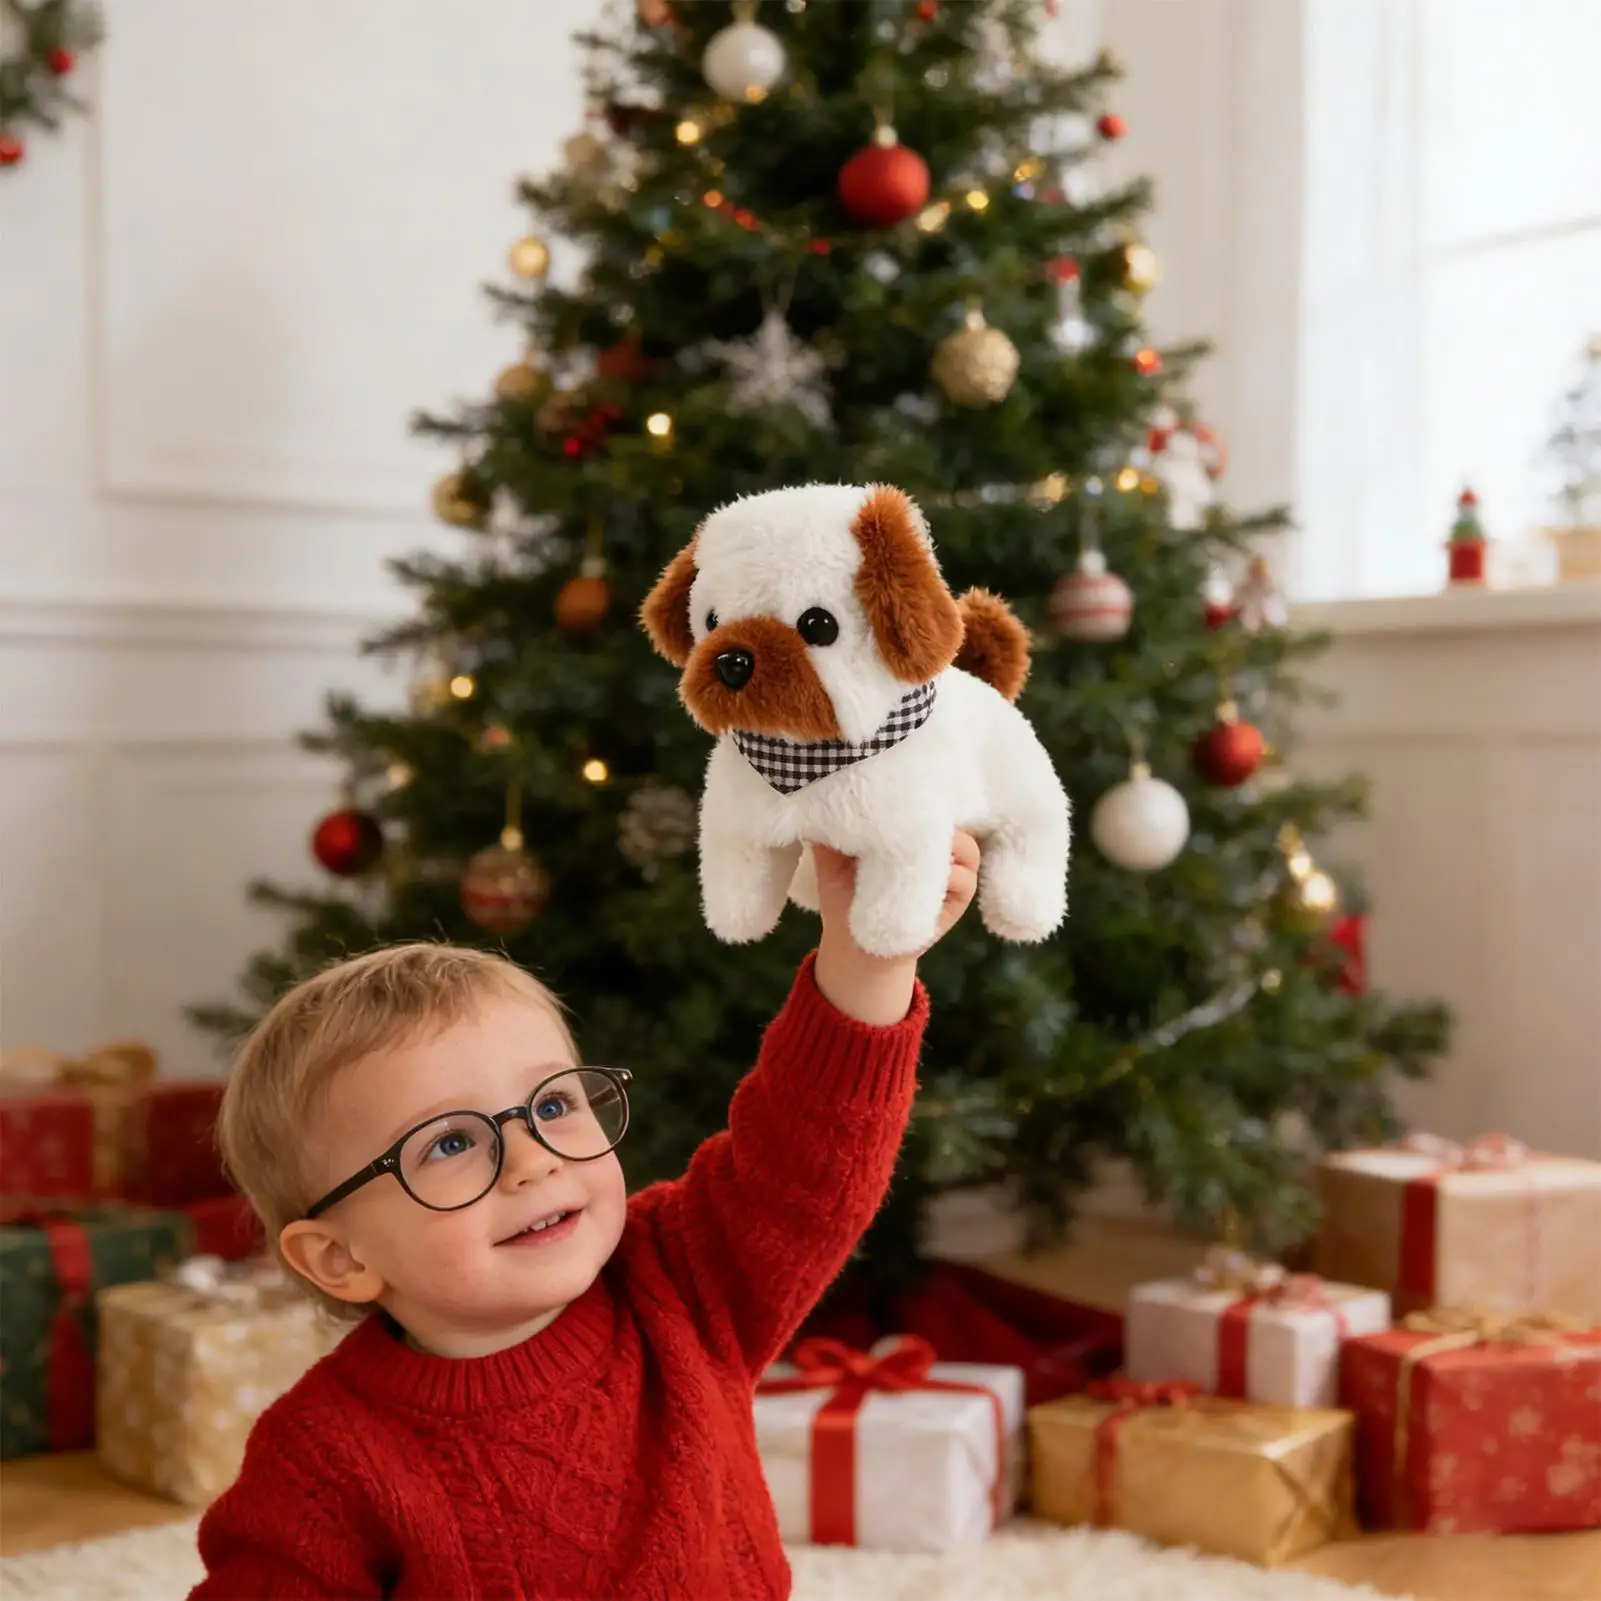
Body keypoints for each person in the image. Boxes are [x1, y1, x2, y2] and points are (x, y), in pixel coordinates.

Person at [187, 832, 980, 1599]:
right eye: (451, 1141)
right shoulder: (319, 1459)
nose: (533, 1158)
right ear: (340, 1257)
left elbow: (807, 1158)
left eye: (552, 1103)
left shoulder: (680, 1276)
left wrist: (870, 955)